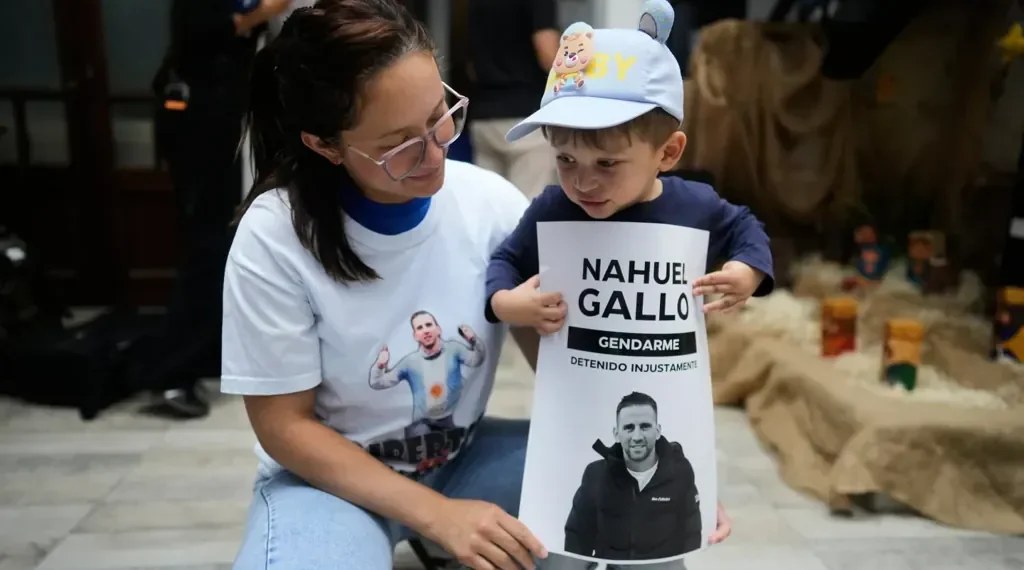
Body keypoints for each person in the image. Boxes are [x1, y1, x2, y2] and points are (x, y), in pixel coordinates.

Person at [141, 0, 292, 418]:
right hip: (201, 125)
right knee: (209, 245)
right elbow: (201, 30)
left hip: (226, 121)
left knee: (222, 241)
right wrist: (265, 11)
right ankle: (169, 375)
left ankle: (201, 356)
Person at [564, 392, 702, 562]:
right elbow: (577, 536)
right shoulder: (596, 475)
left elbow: (692, 536)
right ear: (616, 434)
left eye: (645, 427)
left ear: (658, 431)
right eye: (629, 428)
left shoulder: (680, 472)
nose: (637, 437)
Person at [467, 0, 561, 198]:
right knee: (527, 214)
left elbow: (472, 66)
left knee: (490, 212)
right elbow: (547, 52)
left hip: (484, 117)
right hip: (527, 120)